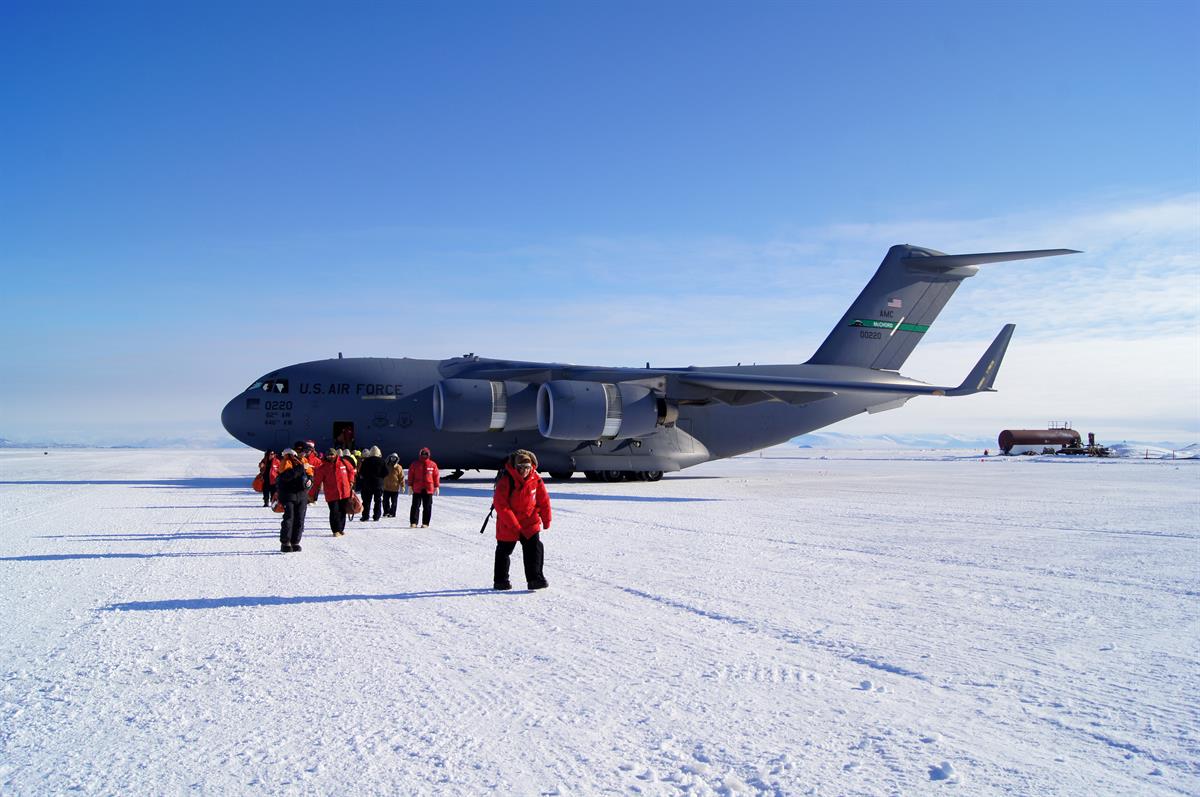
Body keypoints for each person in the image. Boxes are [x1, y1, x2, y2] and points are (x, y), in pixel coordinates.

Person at [492, 449, 551, 591]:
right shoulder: (506, 480)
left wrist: (546, 518)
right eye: (521, 468)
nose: (524, 471)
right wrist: (514, 525)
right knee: (504, 551)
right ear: (515, 467)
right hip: (508, 523)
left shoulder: (536, 479)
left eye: (527, 468)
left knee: (535, 548)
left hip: (529, 521)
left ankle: (535, 579)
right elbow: (501, 505)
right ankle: (501, 581)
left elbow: (543, 500)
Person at [309, 448, 356, 537]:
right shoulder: (323, 467)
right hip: (331, 493)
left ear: (336, 455)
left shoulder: (344, 462)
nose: (330, 457)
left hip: (344, 492)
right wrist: (311, 494)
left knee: (342, 511)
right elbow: (317, 483)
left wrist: (351, 481)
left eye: (332, 455)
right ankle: (335, 530)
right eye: (328, 455)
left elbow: (351, 471)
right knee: (334, 511)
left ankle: (341, 529)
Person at [275, 449, 313, 552]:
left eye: (304, 452)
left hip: (301, 495)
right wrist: (301, 468)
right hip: (288, 495)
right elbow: (287, 476)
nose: (303, 453)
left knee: (299, 519)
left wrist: (310, 482)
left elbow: (310, 475)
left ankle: (295, 542)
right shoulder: (286, 462)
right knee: (289, 518)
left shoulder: (304, 461)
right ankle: (285, 542)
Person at [408, 446, 440, 527]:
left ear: (428, 455)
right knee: (415, 506)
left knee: (427, 507)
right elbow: (411, 475)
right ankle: (413, 522)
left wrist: (436, 486)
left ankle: (425, 523)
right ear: (420, 454)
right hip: (417, 488)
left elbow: (436, 476)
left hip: (428, 489)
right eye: (423, 454)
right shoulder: (415, 464)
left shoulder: (433, 465)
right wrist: (410, 486)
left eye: (426, 454)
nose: (424, 455)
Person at [357, 445, 388, 521]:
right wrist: (380, 478)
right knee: (378, 501)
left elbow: (361, 472)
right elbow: (386, 472)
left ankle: (365, 516)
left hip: (367, 484)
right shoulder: (382, 461)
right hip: (378, 484)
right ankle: (376, 516)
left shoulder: (366, 461)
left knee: (366, 501)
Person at [382, 453, 406, 517]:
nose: (393, 459)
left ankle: (392, 513)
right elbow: (382, 474)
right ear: (390, 458)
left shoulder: (399, 467)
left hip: (395, 488)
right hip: (386, 487)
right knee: (385, 501)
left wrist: (403, 486)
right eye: (392, 458)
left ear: (397, 459)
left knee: (394, 503)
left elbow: (402, 477)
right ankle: (386, 512)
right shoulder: (386, 465)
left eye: (394, 458)